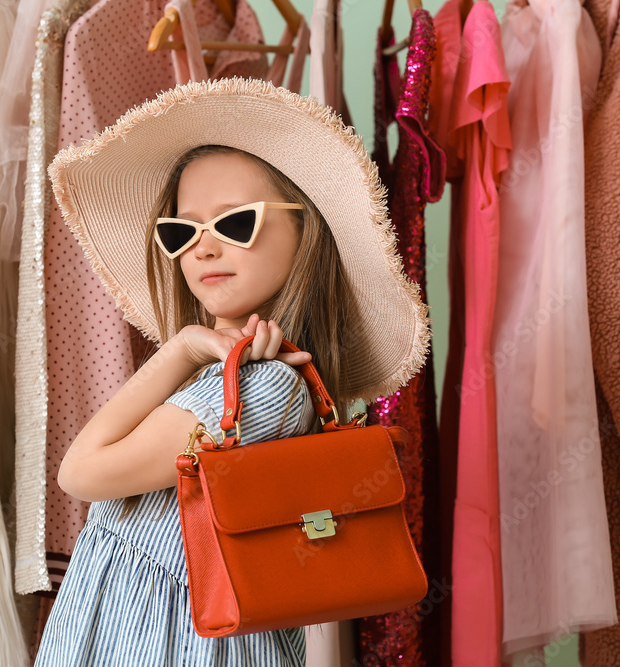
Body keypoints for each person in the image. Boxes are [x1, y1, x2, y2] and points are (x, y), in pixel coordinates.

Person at [33, 77, 431, 666]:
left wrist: (175, 353)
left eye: (235, 223)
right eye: (182, 231)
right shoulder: (225, 382)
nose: (203, 249)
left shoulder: (260, 388)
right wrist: (188, 353)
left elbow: (80, 472)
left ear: (306, 233)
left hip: (172, 644)